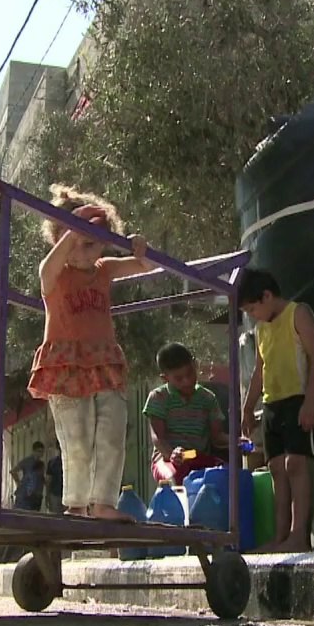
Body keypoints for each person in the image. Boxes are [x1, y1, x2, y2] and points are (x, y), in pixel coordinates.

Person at [28, 185, 154, 520]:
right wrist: (72, 233)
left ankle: (103, 503)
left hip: (102, 362)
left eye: (93, 243)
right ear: (61, 240)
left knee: (112, 432)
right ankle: (76, 504)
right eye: (78, 243)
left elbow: (143, 266)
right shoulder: (56, 274)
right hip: (67, 362)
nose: (86, 252)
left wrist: (139, 249)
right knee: (77, 437)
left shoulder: (104, 269)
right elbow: (45, 270)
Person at [238, 268, 314, 553]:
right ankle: (280, 537)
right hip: (272, 404)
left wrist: (311, 401)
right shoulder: (261, 329)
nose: (252, 315)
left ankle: (299, 535)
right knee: (276, 468)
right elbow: (259, 371)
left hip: (297, 399)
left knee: (295, 465)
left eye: (252, 308)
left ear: (267, 296)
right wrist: (248, 406)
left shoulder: (297, 314)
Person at [145, 342, 228, 485]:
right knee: (175, 478)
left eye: (190, 374)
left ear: (195, 364)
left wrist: (236, 441)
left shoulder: (208, 398)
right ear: (165, 378)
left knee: (227, 475)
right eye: (178, 378)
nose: (187, 381)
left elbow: (217, 437)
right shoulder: (158, 398)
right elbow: (158, 437)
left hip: (199, 457)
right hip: (167, 460)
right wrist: (172, 454)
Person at [44, 445, 63, 513]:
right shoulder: (53, 462)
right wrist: (47, 495)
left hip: (66, 496)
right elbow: (48, 480)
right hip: (55, 494)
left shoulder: (71, 462)